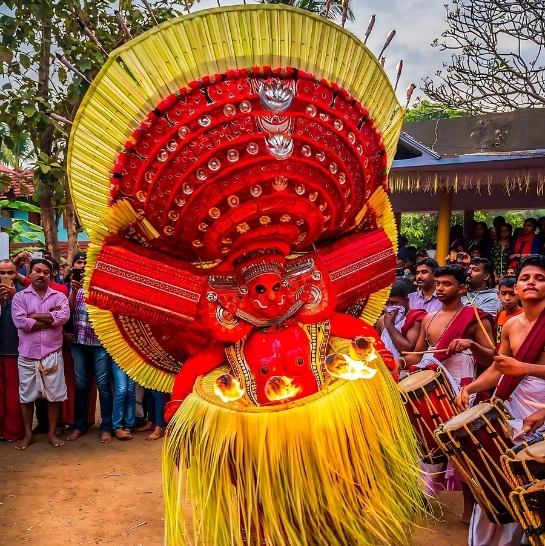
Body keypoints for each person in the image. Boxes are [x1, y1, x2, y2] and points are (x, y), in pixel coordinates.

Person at [457, 255, 545, 546]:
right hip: (509, 409)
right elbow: (498, 367)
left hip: (541, 412)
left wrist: (526, 370)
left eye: (540, 278)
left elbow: (517, 368)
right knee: (498, 477)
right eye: (525, 278)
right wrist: (471, 388)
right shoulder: (510, 325)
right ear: (516, 287)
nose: (531, 281)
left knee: (535, 490)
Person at [399, 264, 495, 524]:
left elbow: (494, 358)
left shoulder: (476, 317)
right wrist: (399, 363)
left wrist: (472, 344)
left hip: (464, 387)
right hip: (433, 388)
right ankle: (418, 496)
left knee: (464, 448)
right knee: (424, 442)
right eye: (438, 283)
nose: (440, 288)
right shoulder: (428, 318)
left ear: (462, 288)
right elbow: (418, 356)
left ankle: (469, 510)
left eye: (447, 284)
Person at [11, 259, 70, 449]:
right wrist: (51, 319)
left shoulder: (58, 297)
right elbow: (21, 323)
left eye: (46, 272)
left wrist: (34, 316)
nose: (42, 274)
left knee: (54, 396)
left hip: (52, 353)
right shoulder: (20, 297)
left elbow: (63, 317)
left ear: (51, 275)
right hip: (28, 355)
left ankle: (51, 434)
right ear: (30, 272)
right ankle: (28, 435)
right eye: (37, 271)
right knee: (27, 396)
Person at [66, 255, 114, 444]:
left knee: (103, 386)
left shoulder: (104, 286)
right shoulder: (72, 288)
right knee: (81, 386)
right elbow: (66, 313)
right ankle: (79, 426)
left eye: (87, 263)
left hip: (100, 344)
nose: (84, 266)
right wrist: (73, 291)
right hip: (79, 343)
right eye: (80, 263)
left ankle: (106, 427)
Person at [0, 259, 25, 442]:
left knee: (14, 393)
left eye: (11, 273)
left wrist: (15, 297)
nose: (6, 276)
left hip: (15, 350)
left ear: (17, 274)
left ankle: (13, 431)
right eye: (2, 272)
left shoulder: (24, 294)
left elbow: (28, 319)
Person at [375, 281, 426, 365]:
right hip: (384, 366)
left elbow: (407, 350)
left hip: (407, 369)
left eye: (394, 303)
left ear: (406, 301)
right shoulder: (381, 320)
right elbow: (377, 347)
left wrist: (389, 325)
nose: (390, 307)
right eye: (387, 303)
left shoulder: (416, 318)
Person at [496, 277, 522, 349]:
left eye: (512, 294)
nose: (507, 298)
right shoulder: (499, 315)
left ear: (519, 294)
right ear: (498, 294)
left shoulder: (524, 315)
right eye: (503, 293)